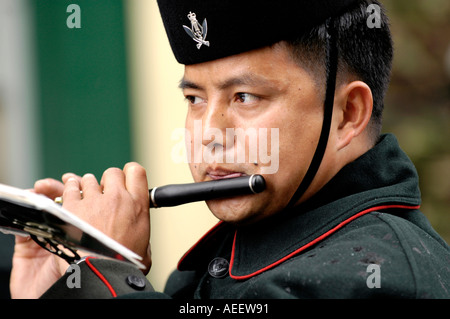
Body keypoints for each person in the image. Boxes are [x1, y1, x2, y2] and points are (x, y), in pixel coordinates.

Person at [10, 0, 450, 299]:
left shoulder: (385, 275)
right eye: (194, 99)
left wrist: (105, 276)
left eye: (244, 97)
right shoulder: (223, 257)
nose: (208, 135)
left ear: (347, 114)